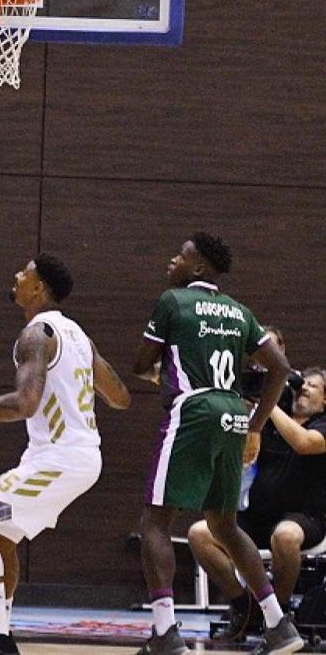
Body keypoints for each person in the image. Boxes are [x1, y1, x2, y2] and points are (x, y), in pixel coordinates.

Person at [0, 254, 131, 655]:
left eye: (24, 272)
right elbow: (120, 397)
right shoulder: (77, 335)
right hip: (75, 457)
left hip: (61, 458)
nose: (16, 276)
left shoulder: (36, 334)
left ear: (39, 287)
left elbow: (25, 404)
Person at [133, 232, 303, 655]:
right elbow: (280, 368)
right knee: (223, 524)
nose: (173, 260)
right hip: (232, 414)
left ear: (201, 267)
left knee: (155, 521)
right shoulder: (239, 311)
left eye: (182, 255)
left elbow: (140, 363)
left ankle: (165, 632)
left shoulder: (173, 301)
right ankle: (280, 626)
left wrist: (165, 370)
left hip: (192, 409)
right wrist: (256, 427)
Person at [189, 367, 326, 640]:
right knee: (200, 534)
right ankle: (245, 606)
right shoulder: (267, 423)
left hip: (306, 518)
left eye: (313, 386)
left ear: (325, 400)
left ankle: (280, 612)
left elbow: (303, 442)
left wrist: (269, 402)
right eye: (302, 384)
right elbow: (242, 455)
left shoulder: (321, 425)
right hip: (260, 517)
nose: (304, 389)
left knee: (285, 536)